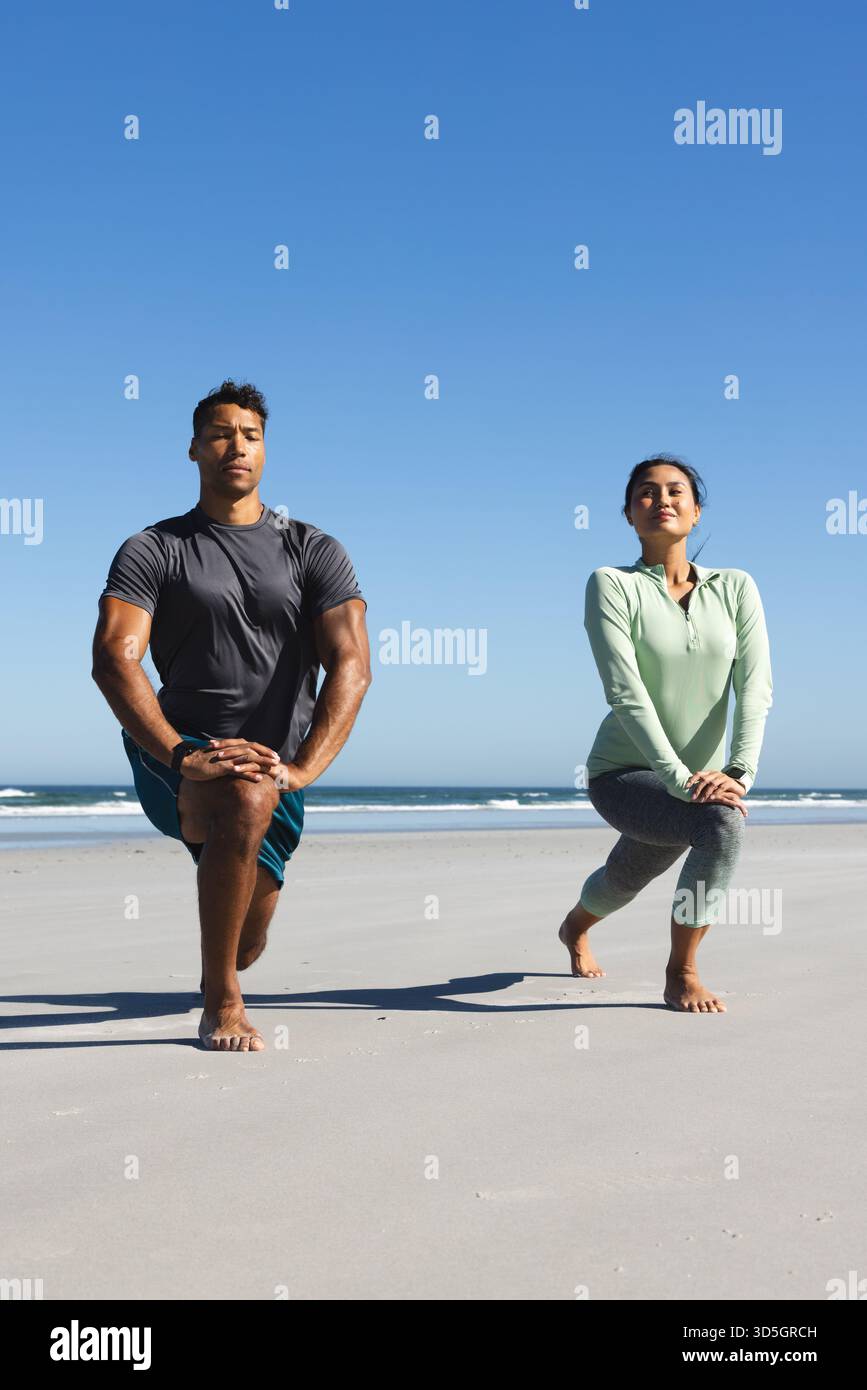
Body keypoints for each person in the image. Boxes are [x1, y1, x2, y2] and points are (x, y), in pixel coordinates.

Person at [91, 379, 371, 1051]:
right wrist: (180, 755)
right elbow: (114, 658)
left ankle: (228, 958)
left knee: (248, 938)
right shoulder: (154, 547)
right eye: (219, 434)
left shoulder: (313, 549)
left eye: (249, 435)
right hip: (176, 745)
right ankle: (222, 1002)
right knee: (239, 798)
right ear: (193, 449)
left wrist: (302, 769)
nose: (234, 447)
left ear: (265, 450)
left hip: (276, 758)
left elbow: (351, 666)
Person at [559, 454, 772, 1013]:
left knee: (622, 878)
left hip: (696, 779)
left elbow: (755, 689)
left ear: (696, 511)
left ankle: (572, 928)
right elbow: (624, 691)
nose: (662, 501)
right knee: (720, 826)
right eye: (645, 494)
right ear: (630, 515)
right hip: (623, 774)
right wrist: (679, 780)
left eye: (676, 491)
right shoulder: (612, 585)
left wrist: (738, 772)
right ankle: (683, 972)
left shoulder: (737, 588)